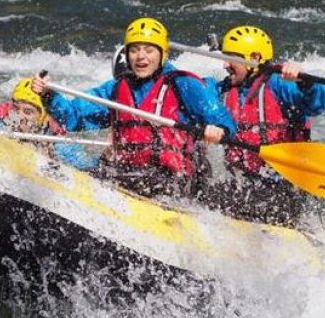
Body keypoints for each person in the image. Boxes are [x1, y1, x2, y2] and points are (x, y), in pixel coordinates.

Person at [32, 17, 236, 199]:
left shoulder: (183, 83)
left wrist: (219, 129)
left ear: (163, 54)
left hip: (172, 180)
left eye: (149, 50)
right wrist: (49, 95)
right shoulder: (116, 88)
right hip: (127, 172)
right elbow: (73, 117)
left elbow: (222, 118)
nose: (141, 57)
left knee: (131, 182)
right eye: (135, 49)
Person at [198, 25, 325, 225]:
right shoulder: (223, 89)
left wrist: (306, 82)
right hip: (241, 183)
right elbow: (196, 90)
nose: (225, 65)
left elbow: (318, 103)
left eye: (231, 58)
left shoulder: (280, 85)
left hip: (282, 188)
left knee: (238, 202)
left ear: (254, 58)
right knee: (200, 193)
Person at [0, 77, 98, 171]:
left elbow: (89, 167)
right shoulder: (0, 125)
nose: (20, 116)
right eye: (16, 109)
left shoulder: (57, 143)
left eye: (28, 112)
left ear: (42, 117)